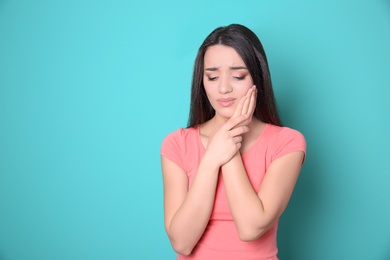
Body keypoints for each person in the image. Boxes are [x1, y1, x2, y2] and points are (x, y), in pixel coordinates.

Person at [160, 24, 306, 260]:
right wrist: (211, 160)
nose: (224, 88)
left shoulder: (287, 142)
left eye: (238, 76)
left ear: (258, 78)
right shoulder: (177, 144)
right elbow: (182, 242)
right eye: (212, 76)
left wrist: (230, 138)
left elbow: (251, 227)